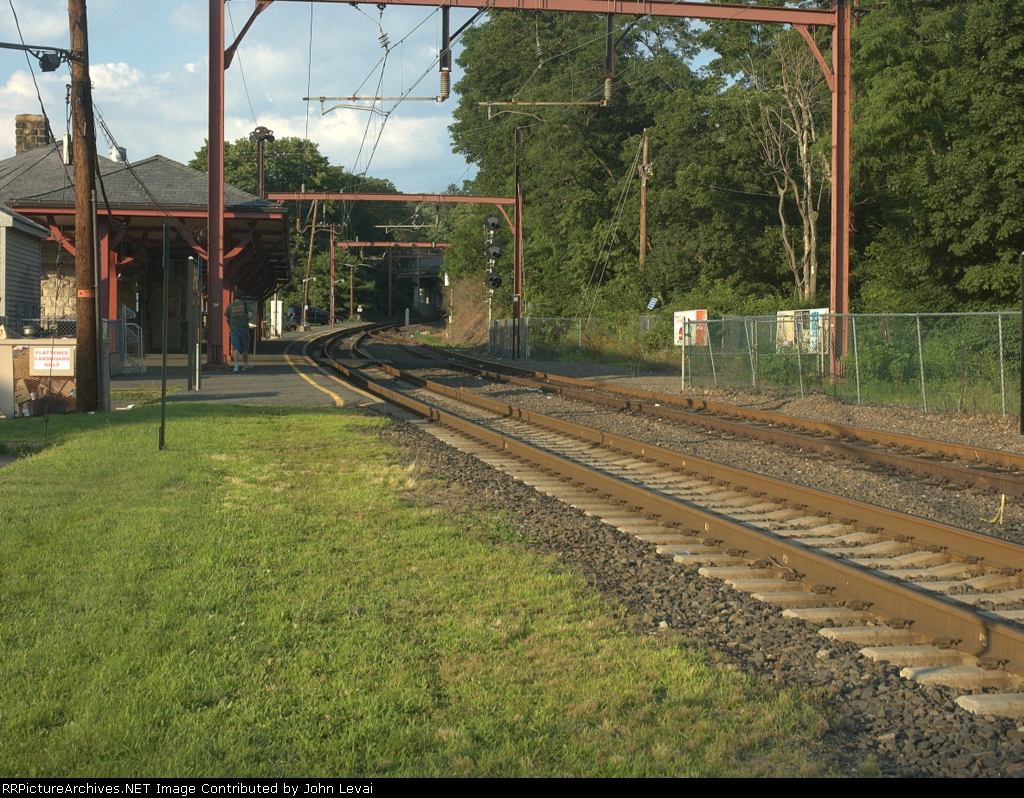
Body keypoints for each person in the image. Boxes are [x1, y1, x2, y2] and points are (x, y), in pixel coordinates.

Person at [225, 288, 253, 372]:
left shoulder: (230, 306)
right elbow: (250, 315)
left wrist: (230, 324)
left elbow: (227, 317)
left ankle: (236, 366)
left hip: (234, 329)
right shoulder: (245, 304)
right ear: (242, 296)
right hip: (244, 328)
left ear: (234, 297)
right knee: (245, 348)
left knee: (236, 348)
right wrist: (246, 320)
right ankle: (245, 364)